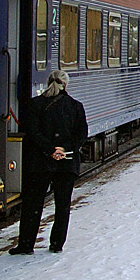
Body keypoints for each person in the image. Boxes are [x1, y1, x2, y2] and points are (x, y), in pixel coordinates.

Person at [10, 70, 88, 255]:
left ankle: (26, 245)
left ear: (48, 83)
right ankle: (56, 244)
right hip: (66, 163)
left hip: (40, 163)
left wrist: (50, 150)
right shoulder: (75, 106)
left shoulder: (35, 105)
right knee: (62, 205)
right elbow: (81, 134)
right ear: (65, 85)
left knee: (33, 205)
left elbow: (33, 133)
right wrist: (64, 150)